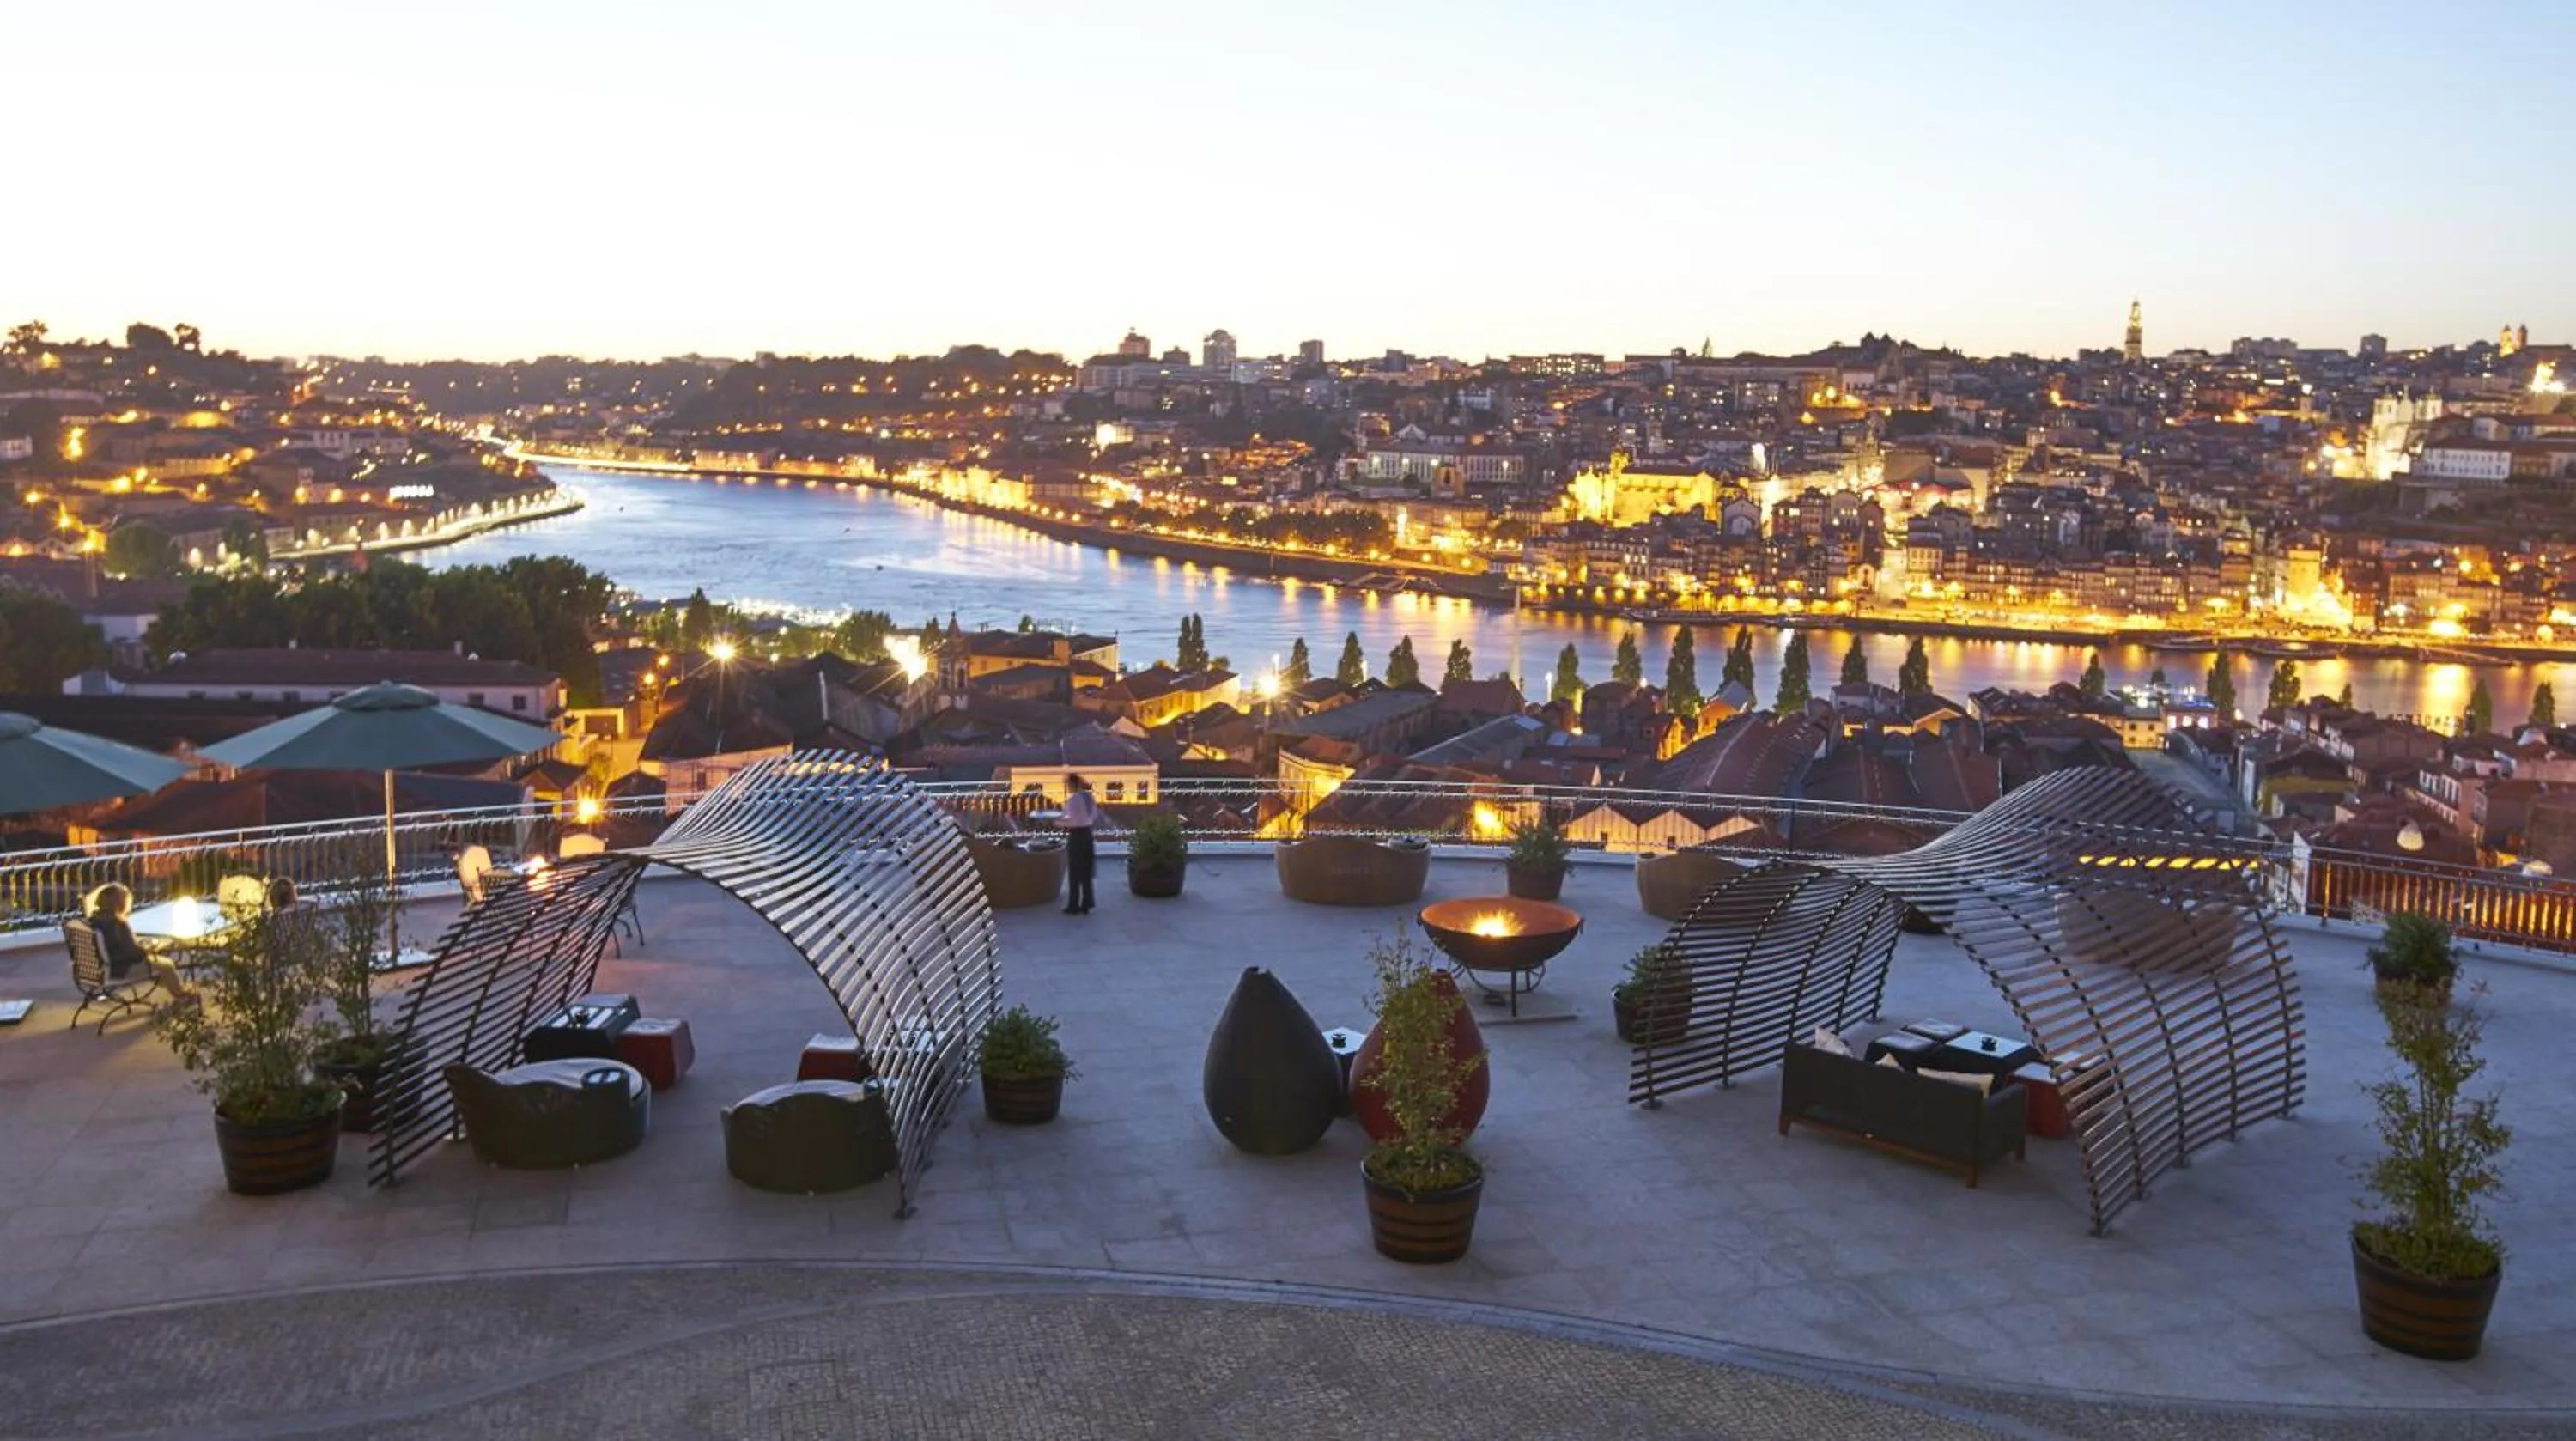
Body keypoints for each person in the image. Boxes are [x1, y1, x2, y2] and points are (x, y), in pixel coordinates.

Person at [87, 884, 200, 1010]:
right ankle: (183, 996)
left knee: (159, 965)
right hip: (121, 969)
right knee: (167, 965)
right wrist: (150, 948)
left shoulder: (94, 920)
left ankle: (179, 990)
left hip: (101, 968)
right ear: (120, 902)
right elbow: (135, 953)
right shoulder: (118, 924)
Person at [1058, 775, 1099, 915]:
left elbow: (1071, 821)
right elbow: (1093, 816)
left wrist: (1057, 822)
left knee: (1075, 872)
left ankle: (1074, 905)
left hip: (1076, 836)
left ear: (1071, 785)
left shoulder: (1073, 800)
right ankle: (1087, 902)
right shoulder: (1089, 798)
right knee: (1086, 871)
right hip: (1088, 835)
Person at [449, 840, 494, 905]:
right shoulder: (479, 853)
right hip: (474, 881)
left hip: (472, 881)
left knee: (472, 891)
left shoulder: (470, 856)